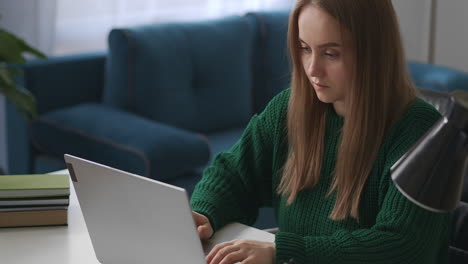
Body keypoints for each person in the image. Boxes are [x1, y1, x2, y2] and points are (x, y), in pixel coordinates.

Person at [190, 0, 450, 263]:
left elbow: (404, 246)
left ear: (374, 52)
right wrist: (204, 214)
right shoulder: (288, 109)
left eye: (330, 53)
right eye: (305, 49)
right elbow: (232, 174)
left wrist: (284, 252)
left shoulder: (422, 132)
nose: (312, 69)